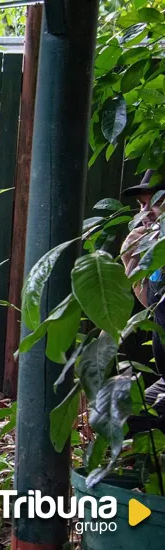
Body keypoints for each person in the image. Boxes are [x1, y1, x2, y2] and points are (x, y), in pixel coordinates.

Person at [120, 167, 165, 426]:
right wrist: (132, 259)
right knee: (118, 421)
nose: (145, 214)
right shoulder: (156, 256)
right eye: (142, 206)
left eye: (155, 204)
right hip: (164, 382)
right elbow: (152, 305)